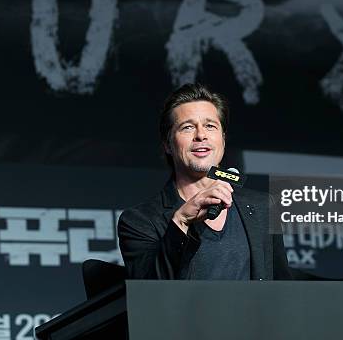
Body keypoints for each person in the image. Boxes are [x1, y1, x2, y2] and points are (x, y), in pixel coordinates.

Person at [118, 83, 290, 280]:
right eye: (188, 127)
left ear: (223, 140)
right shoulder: (139, 221)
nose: (201, 135)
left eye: (210, 126)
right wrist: (181, 221)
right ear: (167, 144)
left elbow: (282, 288)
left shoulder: (261, 207)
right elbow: (146, 295)